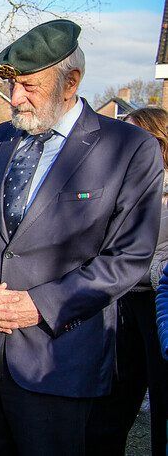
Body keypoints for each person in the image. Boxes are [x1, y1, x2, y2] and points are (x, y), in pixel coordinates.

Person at [0, 19, 164, 455]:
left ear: (71, 82)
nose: (16, 99)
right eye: (12, 86)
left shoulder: (128, 148)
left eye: (29, 85)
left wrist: (38, 306)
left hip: (58, 363)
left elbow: (128, 257)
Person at [94, 107, 168, 455]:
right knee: (112, 399)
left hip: (158, 302)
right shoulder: (117, 180)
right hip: (118, 299)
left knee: (162, 397)